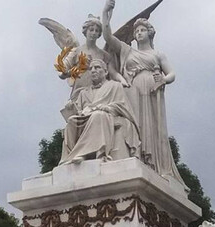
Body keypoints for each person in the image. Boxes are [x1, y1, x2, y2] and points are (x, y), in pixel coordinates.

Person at [102, 0, 186, 187]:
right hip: (133, 90)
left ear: (150, 33)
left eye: (142, 30)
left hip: (152, 90)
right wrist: (106, 12)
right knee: (135, 124)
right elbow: (108, 37)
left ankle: (154, 163)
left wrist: (163, 80)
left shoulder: (158, 54)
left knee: (152, 126)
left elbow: (172, 73)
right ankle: (136, 154)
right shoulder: (127, 50)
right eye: (136, 31)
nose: (138, 33)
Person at [60, 61, 141, 166]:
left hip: (106, 115)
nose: (93, 70)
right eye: (91, 68)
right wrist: (71, 108)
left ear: (106, 72)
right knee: (71, 121)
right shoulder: (84, 93)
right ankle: (69, 158)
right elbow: (78, 111)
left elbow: (122, 106)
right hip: (85, 119)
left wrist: (107, 107)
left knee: (98, 115)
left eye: (97, 67)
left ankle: (83, 154)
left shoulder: (115, 86)